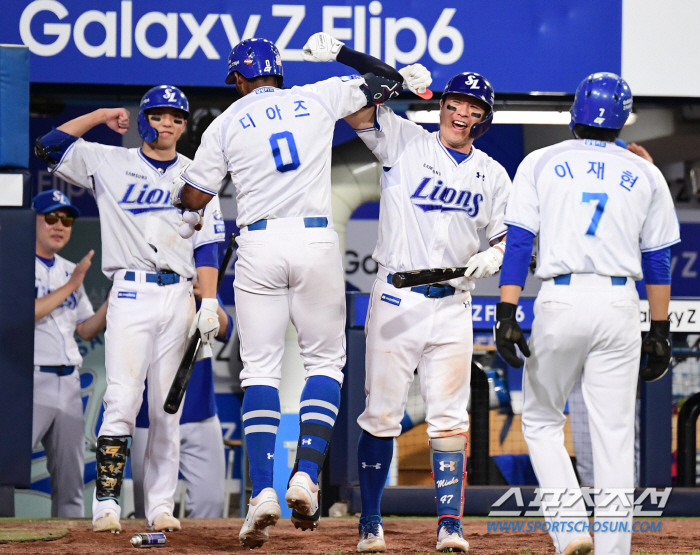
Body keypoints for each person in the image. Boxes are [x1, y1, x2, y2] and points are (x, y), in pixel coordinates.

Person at [170, 37, 409, 549]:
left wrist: (187, 209)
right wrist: (343, 51)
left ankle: (263, 494)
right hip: (317, 239)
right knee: (324, 365)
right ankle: (305, 473)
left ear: (238, 79)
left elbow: (193, 197)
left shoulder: (226, 122)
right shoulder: (321, 94)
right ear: (278, 73)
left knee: (260, 370)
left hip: (259, 242)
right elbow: (392, 79)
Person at [302, 31, 510, 552]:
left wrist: (496, 255)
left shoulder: (493, 173)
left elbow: (506, 235)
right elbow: (354, 110)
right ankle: (370, 522)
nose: (463, 113)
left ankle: (449, 525)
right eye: (456, 102)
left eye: (473, 108)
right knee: (382, 414)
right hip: (398, 297)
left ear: (483, 119)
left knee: (448, 419)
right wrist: (377, 74)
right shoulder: (405, 139)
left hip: (454, 304)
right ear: (441, 103)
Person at [494, 72, 679, 555]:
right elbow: (658, 260)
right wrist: (659, 330)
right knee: (614, 433)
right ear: (623, 118)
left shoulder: (539, 161)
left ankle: (571, 529)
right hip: (620, 304)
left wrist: (507, 309)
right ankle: (614, 550)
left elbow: (519, 243)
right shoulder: (646, 172)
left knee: (539, 421)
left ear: (576, 113)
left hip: (561, 298)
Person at [34, 85, 225, 533]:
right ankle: (106, 505)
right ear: (143, 119)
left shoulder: (196, 173)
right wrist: (100, 114)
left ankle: (160, 505)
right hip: (132, 291)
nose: (169, 124)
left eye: (177, 118)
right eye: (159, 116)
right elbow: (50, 145)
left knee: (165, 408)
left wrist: (210, 301)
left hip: (179, 293)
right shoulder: (110, 161)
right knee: (121, 399)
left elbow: (210, 242)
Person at [32, 189, 108, 517]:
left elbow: (86, 330)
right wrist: (72, 284)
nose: (60, 225)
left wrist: (116, 296)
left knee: (71, 486)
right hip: (29, 380)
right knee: (5, 472)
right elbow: (23, 313)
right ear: (30, 222)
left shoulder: (67, 269)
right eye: (51, 217)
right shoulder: (14, 263)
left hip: (69, 382)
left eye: (66, 219)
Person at [131, 287, 233, 519]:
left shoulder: (197, 278)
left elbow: (226, 329)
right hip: (149, 418)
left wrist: (206, 298)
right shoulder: (139, 276)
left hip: (200, 412)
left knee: (211, 504)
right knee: (148, 511)